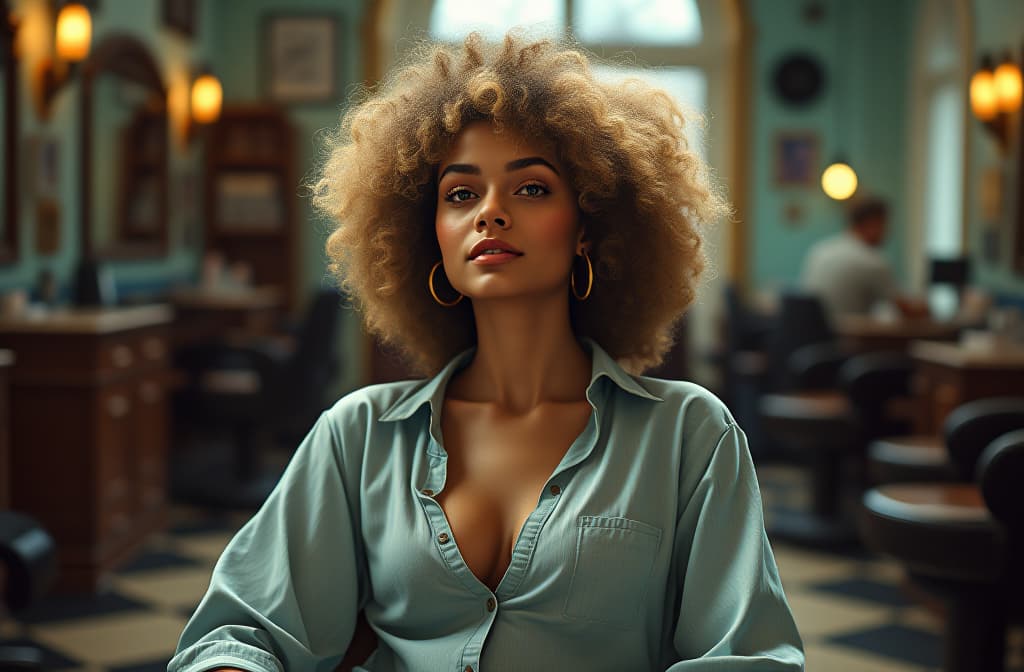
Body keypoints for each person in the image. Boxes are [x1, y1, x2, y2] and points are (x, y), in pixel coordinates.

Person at [169, 32, 804, 672]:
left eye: (530, 189)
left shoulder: (689, 435)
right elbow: (241, 634)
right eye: (461, 194)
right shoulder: (358, 436)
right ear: (431, 235)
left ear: (588, 228)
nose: (490, 213)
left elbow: (749, 658)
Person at [801, 196, 928, 320]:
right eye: (885, 224)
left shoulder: (820, 251)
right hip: (847, 338)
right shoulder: (872, 261)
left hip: (811, 336)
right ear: (872, 223)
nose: (888, 232)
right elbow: (906, 310)